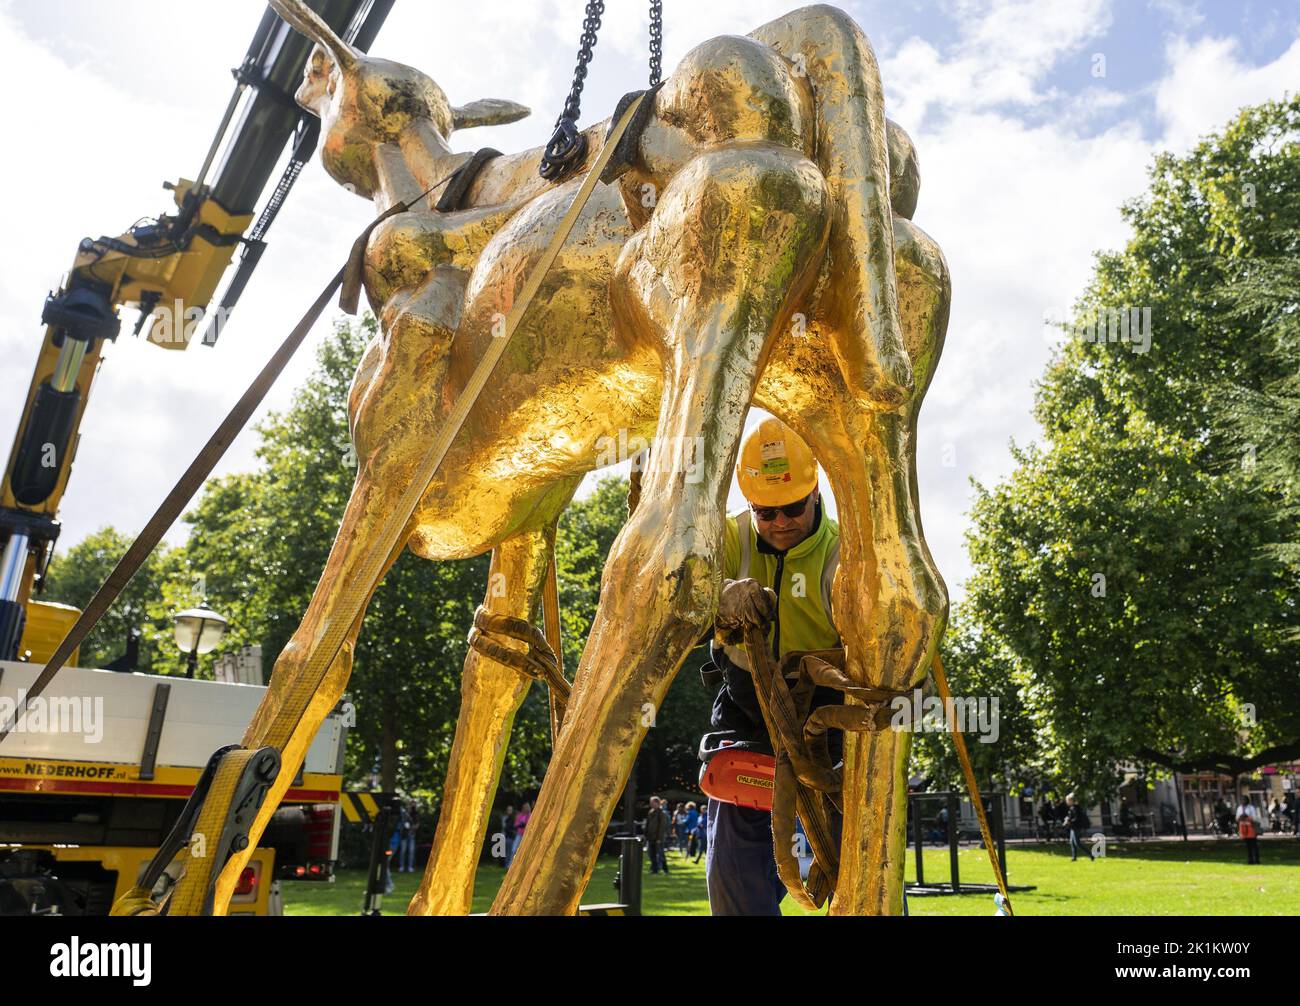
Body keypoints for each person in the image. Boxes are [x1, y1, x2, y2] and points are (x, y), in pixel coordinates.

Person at [699, 418, 845, 915]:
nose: (780, 521)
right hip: (747, 708)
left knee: (857, 857)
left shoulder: (843, 555)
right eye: (765, 511)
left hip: (828, 721)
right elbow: (679, 595)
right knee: (734, 875)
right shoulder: (728, 537)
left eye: (792, 508)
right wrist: (719, 598)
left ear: (815, 492)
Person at [644, 796, 671, 874]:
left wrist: (659, 838)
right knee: (651, 854)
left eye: (652, 802)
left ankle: (665, 870)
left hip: (658, 838)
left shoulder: (662, 813)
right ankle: (654, 869)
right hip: (650, 837)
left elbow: (662, 827)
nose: (651, 804)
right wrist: (646, 834)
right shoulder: (651, 812)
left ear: (657, 803)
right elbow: (647, 824)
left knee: (660, 854)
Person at [1064, 793, 1093, 861]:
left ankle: (1090, 854)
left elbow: (1077, 819)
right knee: (1072, 842)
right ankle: (1074, 857)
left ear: (1071, 800)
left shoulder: (1075, 808)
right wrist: (1068, 819)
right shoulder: (1072, 808)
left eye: (1067, 800)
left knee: (1077, 843)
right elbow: (1072, 817)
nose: (1067, 802)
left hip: (1076, 827)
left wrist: (1069, 821)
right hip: (1073, 827)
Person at [1235, 793, 1263, 865]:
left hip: (1251, 828)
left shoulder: (1251, 808)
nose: (1243, 801)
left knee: (1254, 845)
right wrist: (1240, 817)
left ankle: (1257, 860)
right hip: (1243, 829)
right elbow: (1237, 818)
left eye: (1245, 800)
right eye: (1242, 800)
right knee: (1248, 846)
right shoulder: (1239, 808)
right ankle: (1250, 860)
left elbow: (1255, 818)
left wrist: (1247, 816)